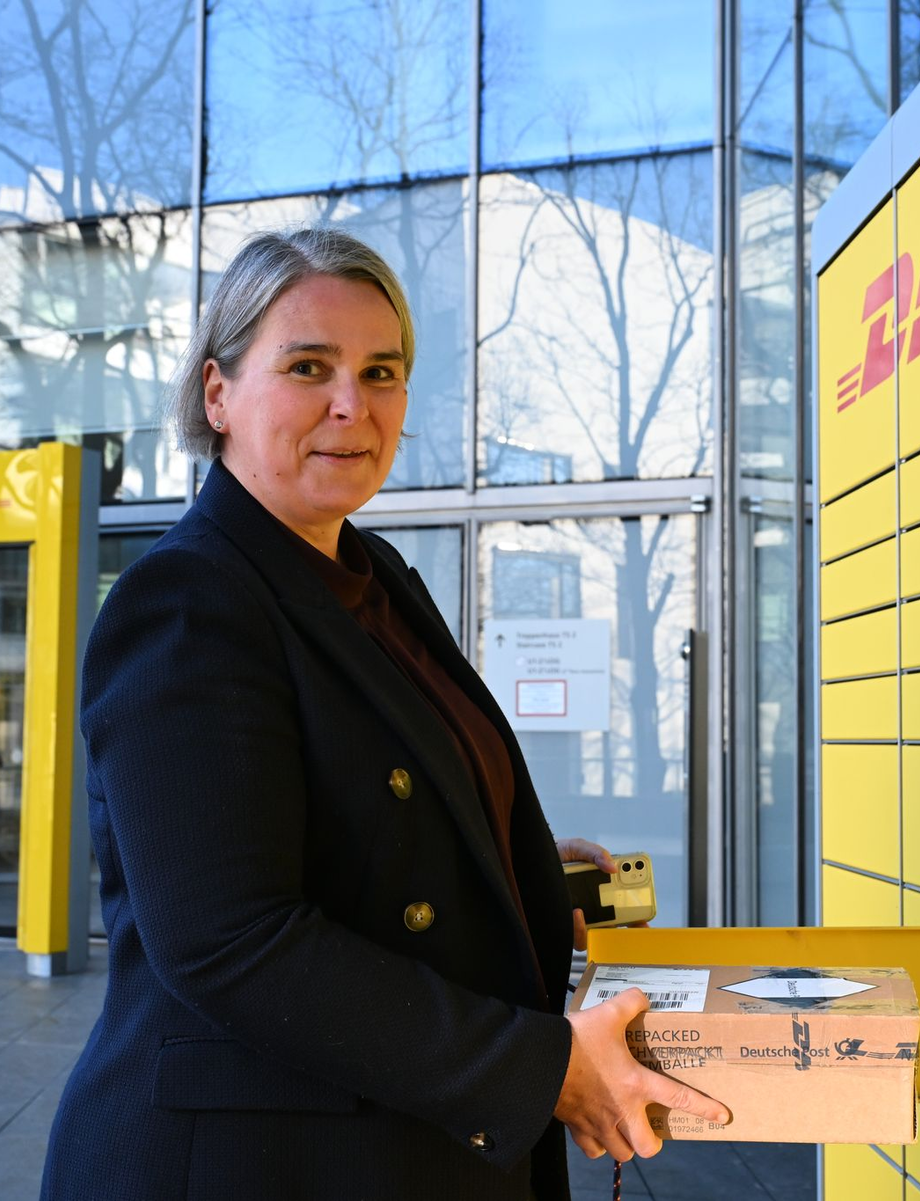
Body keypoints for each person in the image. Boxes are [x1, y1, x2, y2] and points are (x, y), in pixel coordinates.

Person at [40, 228, 727, 1201]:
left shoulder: (373, 577)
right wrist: (539, 1068)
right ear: (218, 393)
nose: (352, 405)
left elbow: (362, 812)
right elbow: (231, 937)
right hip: (258, 1164)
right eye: (308, 366)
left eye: (382, 371)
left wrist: (511, 868)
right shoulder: (190, 601)